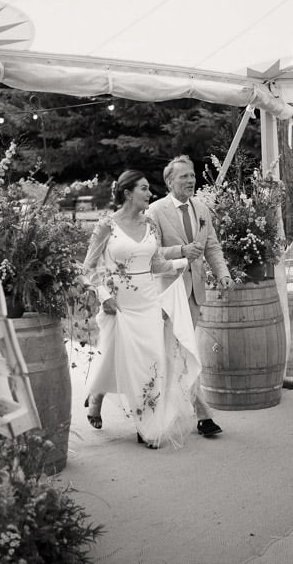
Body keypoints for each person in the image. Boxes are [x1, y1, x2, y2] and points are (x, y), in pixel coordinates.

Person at [82, 170, 201, 449]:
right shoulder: (105, 226)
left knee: (150, 362)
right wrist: (102, 295)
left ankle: (146, 425)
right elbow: (88, 268)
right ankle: (96, 398)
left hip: (148, 302)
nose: (150, 194)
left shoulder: (150, 225)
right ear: (127, 193)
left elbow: (156, 263)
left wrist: (185, 262)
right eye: (145, 189)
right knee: (111, 357)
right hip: (119, 306)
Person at [146, 155, 232, 437]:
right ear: (169, 181)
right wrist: (181, 252)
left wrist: (224, 275)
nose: (190, 180)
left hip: (194, 294)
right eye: (183, 176)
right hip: (167, 293)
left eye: (192, 175)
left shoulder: (203, 209)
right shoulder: (155, 211)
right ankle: (200, 413)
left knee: (184, 352)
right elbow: (150, 253)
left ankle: (180, 411)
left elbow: (212, 247)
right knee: (174, 353)